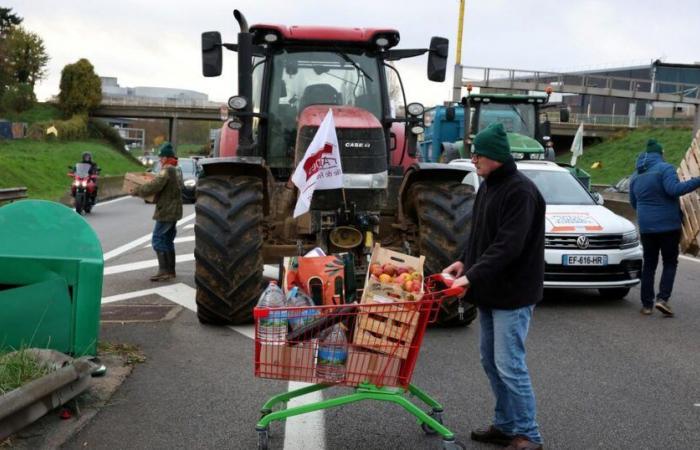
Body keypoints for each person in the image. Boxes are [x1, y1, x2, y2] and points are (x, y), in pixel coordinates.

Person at [444, 123, 545, 450]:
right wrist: (463, 261)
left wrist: (470, 277)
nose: (473, 159)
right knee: (491, 361)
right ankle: (505, 426)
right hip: (490, 290)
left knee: (510, 365)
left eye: (479, 154)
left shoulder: (521, 192)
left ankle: (528, 434)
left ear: (497, 157)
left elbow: (507, 246)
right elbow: (481, 236)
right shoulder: (489, 185)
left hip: (513, 294)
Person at [629, 139, 700, 316]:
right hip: (668, 226)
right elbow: (674, 190)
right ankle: (662, 299)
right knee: (669, 262)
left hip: (646, 228)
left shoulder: (635, 175)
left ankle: (646, 305)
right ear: (660, 153)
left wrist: (648, 215)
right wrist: (697, 180)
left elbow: (633, 202)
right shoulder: (665, 168)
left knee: (649, 265)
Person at [131, 142, 183, 281]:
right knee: (167, 240)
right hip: (174, 210)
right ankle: (170, 270)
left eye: (161, 157)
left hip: (166, 210)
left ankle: (163, 271)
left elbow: (155, 185)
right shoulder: (177, 169)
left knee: (158, 239)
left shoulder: (167, 170)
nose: (160, 160)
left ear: (166, 158)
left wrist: (137, 191)